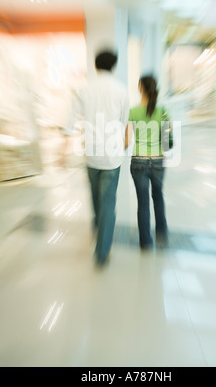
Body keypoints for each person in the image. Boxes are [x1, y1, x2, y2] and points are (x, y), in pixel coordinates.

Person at [63, 50, 129, 266]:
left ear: (95, 65)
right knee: (108, 201)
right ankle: (102, 251)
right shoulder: (121, 90)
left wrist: (65, 140)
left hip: (91, 153)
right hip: (112, 155)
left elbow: (70, 120)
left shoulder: (83, 89)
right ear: (114, 66)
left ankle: (99, 230)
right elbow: (123, 121)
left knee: (95, 198)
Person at [125, 75, 171, 250]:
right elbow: (167, 143)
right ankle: (161, 235)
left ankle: (145, 242)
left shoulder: (133, 111)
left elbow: (127, 141)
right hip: (158, 161)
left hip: (138, 162)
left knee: (143, 202)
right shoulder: (163, 111)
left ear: (140, 87)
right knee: (158, 197)